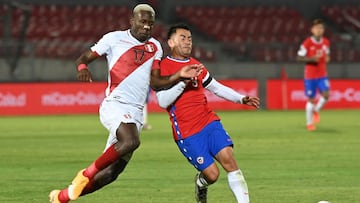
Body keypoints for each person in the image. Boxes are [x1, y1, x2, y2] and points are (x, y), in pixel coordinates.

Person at [49, 5, 202, 203]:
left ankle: (63, 197)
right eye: (142, 22)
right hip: (116, 104)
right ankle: (85, 174)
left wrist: (179, 75)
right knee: (131, 141)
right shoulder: (114, 39)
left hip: (136, 113)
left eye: (150, 23)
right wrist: (82, 67)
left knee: (111, 173)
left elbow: (156, 83)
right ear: (132, 21)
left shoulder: (155, 46)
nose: (146, 27)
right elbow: (84, 57)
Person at [156, 23, 260, 203]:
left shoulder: (196, 65)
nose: (188, 42)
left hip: (208, 122)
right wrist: (183, 80)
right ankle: (200, 183)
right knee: (212, 175)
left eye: (189, 38)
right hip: (187, 132)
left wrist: (240, 98)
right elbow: (162, 101)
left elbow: (216, 87)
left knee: (229, 159)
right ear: (171, 42)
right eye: (183, 38)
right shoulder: (163, 67)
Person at [297, 19, 331, 131]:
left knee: (326, 94)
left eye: (321, 28)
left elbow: (327, 54)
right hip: (310, 76)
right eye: (317, 28)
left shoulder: (326, 42)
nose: (319, 30)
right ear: (312, 30)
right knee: (311, 99)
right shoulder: (307, 43)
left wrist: (327, 58)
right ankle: (309, 123)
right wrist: (310, 59)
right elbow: (299, 58)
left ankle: (316, 110)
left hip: (322, 74)